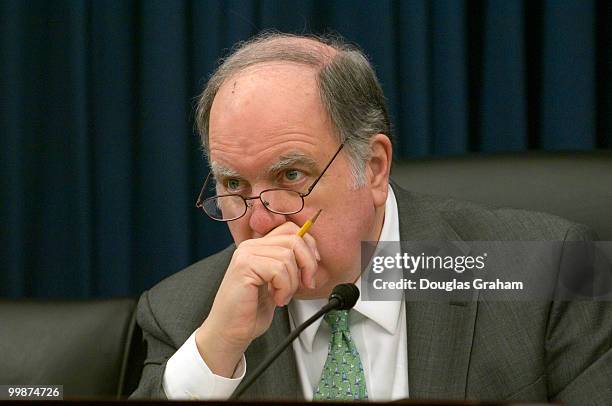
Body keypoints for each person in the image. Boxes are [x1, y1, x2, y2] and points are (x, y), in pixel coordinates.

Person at [130, 33, 612, 403]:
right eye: (234, 186)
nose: (259, 224)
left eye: (292, 175)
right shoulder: (185, 315)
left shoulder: (545, 275)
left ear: (375, 167)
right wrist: (216, 352)